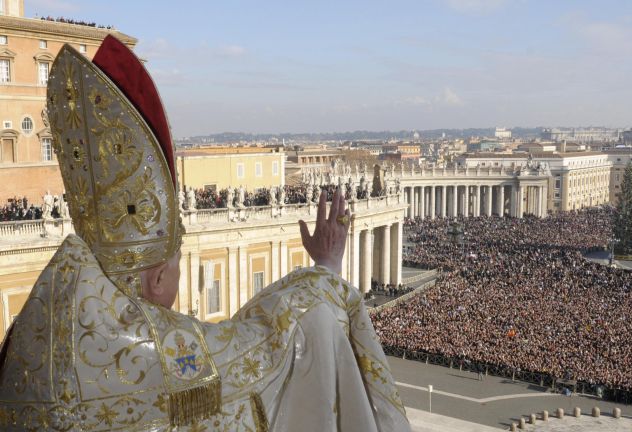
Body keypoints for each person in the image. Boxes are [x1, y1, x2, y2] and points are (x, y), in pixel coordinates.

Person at [0, 36, 410, 431]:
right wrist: (327, 266)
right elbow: (278, 339)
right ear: (158, 278)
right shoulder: (156, 355)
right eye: (176, 265)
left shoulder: (37, 333)